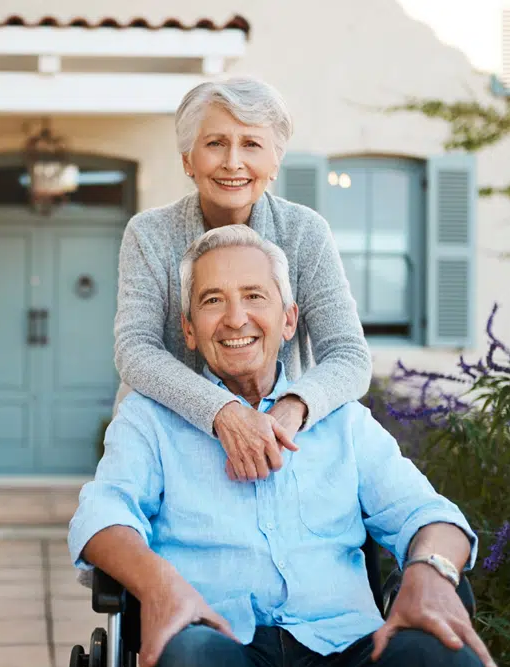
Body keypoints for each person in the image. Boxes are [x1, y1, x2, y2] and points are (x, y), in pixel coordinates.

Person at [71, 225, 498, 667]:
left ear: (289, 318)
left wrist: (432, 571)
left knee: (441, 658)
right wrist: (160, 589)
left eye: (255, 296)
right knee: (196, 661)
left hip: (348, 654)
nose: (235, 318)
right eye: (212, 301)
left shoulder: (342, 422)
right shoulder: (150, 420)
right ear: (187, 329)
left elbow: (430, 516)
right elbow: (101, 516)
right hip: (216, 645)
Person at [114, 76, 372, 482]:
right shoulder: (149, 234)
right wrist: (223, 411)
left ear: (274, 162)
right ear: (187, 159)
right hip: (164, 439)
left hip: (276, 439)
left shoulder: (305, 233)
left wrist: (290, 408)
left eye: (251, 144)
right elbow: (135, 350)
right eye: (215, 143)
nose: (233, 161)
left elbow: (350, 356)